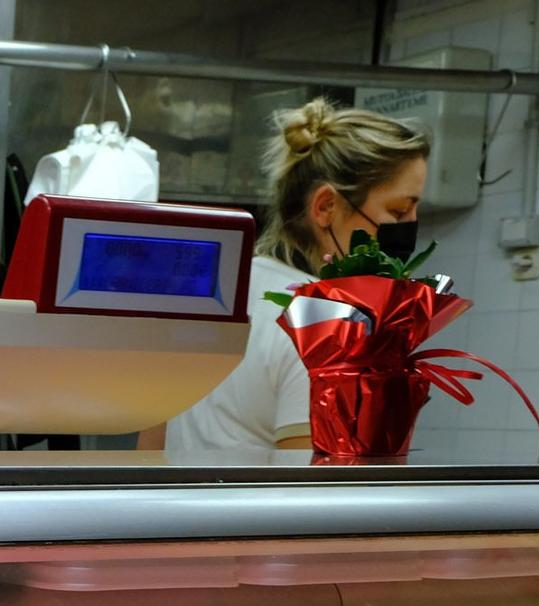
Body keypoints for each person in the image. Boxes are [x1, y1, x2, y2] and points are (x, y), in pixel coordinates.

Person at [155, 99, 429, 464]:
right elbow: (306, 491)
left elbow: (151, 442)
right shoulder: (323, 325)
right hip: (255, 521)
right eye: (398, 211)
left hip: (175, 517)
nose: (410, 226)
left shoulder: (217, 292)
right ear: (326, 207)